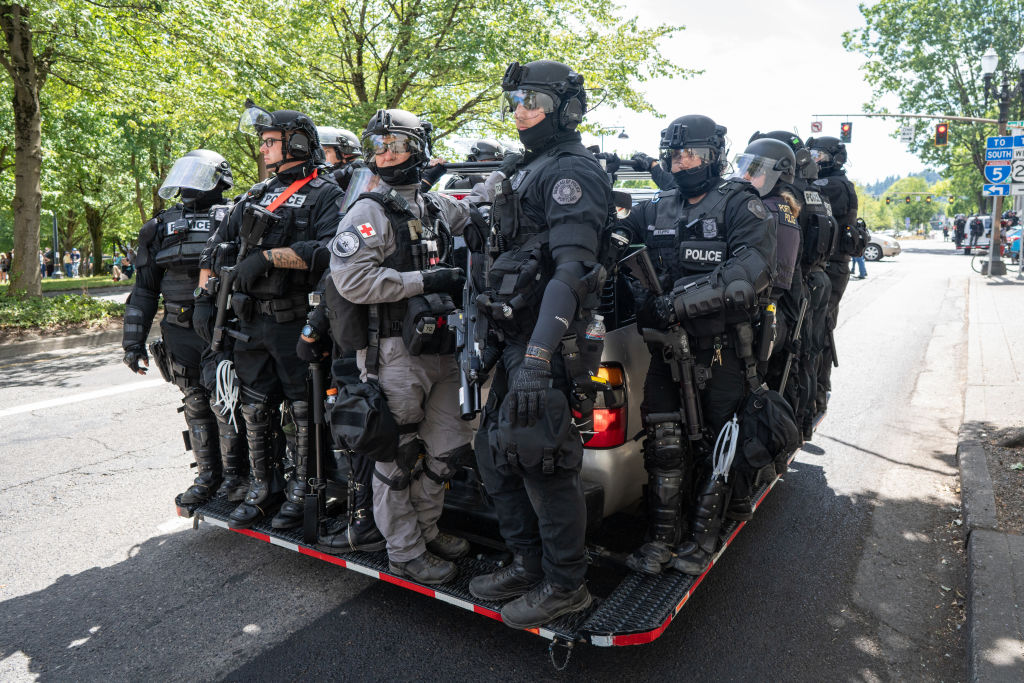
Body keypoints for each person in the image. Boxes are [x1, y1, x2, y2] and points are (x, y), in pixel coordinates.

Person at [464, 59, 614, 628]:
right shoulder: (529, 167)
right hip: (512, 336)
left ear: (566, 108)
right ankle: (528, 563)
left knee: (542, 461)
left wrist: (537, 358)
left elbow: (573, 270)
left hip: (546, 344)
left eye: (534, 100)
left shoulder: (572, 171)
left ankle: (565, 584)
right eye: (516, 102)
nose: (521, 111)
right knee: (495, 456)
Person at [327, 108, 484, 581]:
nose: (386, 154)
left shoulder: (431, 206)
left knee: (445, 450)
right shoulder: (368, 211)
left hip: (444, 350)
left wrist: (509, 176)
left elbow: (474, 207)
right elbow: (352, 280)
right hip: (394, 353)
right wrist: (425, 279)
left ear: (419, 149)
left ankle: (427, 529)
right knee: (397, 457)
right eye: (379, 146)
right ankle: (405, 551)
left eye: (396, 144)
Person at [618, 114, 776, 577]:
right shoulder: (657, 207)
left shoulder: (739, 203)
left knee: (720, 444)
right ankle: (662, 536)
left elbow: (751, 272)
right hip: (669, 349)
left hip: (723, 347)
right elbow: (623, 248)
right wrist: (644, 297)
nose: (682, 162)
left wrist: (679, 304)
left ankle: (707, 534)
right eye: (675, 155)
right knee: (665, 440)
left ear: (713, 156)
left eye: (691, 154)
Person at [195, 104, 345, 531]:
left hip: (294, 320)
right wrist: (207, 297)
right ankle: (264, 487)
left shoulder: (325, 192)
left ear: (297, 142)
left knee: (302, 411)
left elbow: (331, 251)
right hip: (249, 322)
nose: (263, 149)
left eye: (269, 141)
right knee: (255, 409)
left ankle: (303, 491)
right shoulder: (256, 193)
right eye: (261, 142)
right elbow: (219, 247)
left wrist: (269, 258)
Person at [122, 150, 250, 505]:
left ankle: (239, 478)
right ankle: (209, 476)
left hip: (223, 326)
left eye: (199, 174)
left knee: (226, 401)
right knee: (196, 401)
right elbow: (144, 290)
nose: (190, 183)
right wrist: (132, 343)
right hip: (178, 329)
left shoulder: (236, 216)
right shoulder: (160, 226)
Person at [737, 134, 806, 418]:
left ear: (773, 175)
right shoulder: (786, 210)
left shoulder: (764, 211)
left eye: (754, 171)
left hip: (757, 313)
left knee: (747, 394)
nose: (746, 176)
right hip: (774, 311)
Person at [806, 136, 861, 421]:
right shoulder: (832, 183)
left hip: (832, 266)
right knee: (818, 330)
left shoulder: (835, 185)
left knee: (819, 331)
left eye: (817, 155)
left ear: (834, 158)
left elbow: (808, 194)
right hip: (829, 265)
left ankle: (817, 396)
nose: (812, 159)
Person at [317, 126, 366, 191]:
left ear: (345, 153)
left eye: (327, 152)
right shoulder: (329, 171)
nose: (323, 157)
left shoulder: (358, 168)